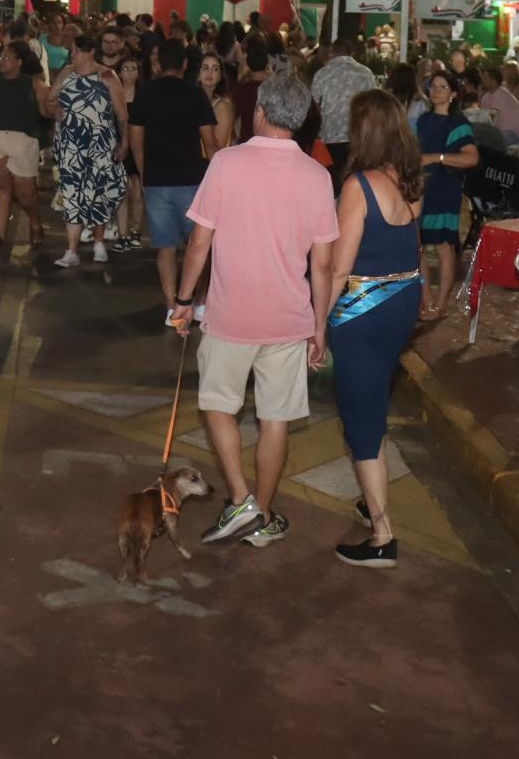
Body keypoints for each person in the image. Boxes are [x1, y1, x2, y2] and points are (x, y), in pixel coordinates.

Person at [172, 72, 337, 550]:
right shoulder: (317, 176)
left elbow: (200, 243)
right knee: (276, 419)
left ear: (259, 113)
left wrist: (183, 301)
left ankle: (241, 499)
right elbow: (322, 264)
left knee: (218, 405)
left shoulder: (227, 162)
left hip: (231, 315)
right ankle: (261, 518)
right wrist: (319, 328)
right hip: (288, 319)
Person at [323, 90, 424, 568]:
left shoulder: (358, 187)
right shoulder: (410, 182)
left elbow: (339, 268)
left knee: (360, 418)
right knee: (373, 400)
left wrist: (316, 324)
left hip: (362, 310)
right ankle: (372, 498)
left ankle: (382, 536)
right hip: (402, 303)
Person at [130, 40, 217, 315]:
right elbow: (210, 143)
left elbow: (135, 141)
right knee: (199, 245)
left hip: (157, 180)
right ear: (185, 64)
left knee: (165, 247)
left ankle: (171, 306)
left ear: (158, 63)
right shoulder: (196, 95)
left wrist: (145, 174)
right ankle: (197, 301)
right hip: (192, 180)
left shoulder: (145, 94)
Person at [50, 35, 129, 268]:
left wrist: (124, 144)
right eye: (72, 50)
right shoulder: (66, 73)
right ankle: (71, 250)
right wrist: (54, 109)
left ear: (90, 52)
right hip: (70, 146)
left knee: (99, 193)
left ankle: (98, 243)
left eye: (77, 50)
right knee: (71, 194)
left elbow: (122, 115)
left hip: (100, 145)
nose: (72, 54)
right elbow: (48, 99)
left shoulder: (107, 76)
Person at [0, 42, 52, 250]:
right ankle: (0, 234)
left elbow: (46, 109)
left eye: (7, 58)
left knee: (25, 191)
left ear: (19, 62)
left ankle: (35, 221)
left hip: (22, 139)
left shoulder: (33, 83)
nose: (2, 61)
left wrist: (53, 107)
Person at [413, 72, 478, 320]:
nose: (436, 91)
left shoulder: (458, 123)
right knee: (418, 246)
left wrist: (436, 157)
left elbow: (471, 158)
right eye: (433, 86)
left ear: (453, 94)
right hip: (421, 188)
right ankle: (426, 299)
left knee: (443, 246)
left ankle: (441, 304)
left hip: (444, 188)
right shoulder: (424, 120)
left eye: (442, 87)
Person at [311, 40, 377, 191]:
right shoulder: (366, 73)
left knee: (332, 182)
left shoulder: (322, 74)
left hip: (329, 137)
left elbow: (314, 106)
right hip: (357, 137)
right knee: (354, 182)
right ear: (351, 53)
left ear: (331, 53)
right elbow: (373, 105)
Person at [112, 57, 146, 253]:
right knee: (121, 190)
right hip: (119, 146)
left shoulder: (143, 97)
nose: (130, 72)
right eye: (126, 69)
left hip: (138, 147)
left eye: (133, 68)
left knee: (137, 189)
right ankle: (122, 233)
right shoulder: (114, 95)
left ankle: (136, 230)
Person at [476, 65, 519, 153]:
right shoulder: (486, 96)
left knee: (486, 142)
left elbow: (491, 119)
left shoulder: (502, 95)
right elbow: (483, 117)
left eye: (485, 79)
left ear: (494, 82)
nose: (482, 81)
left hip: (513, 133)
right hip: (498, 132)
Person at [230, 42, 269, 144]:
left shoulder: (241, 90)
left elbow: (231, 118)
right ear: (267, 64)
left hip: (246, 142)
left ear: (248, 64)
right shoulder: (273, 89)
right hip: (268, 142)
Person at [196, 52, 236, 150]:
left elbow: (218, 147)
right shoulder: (191, 100)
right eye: (205, 68)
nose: (209, 73)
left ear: (220, 77)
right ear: (198, 74)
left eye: (215, 69)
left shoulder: (222, 106)